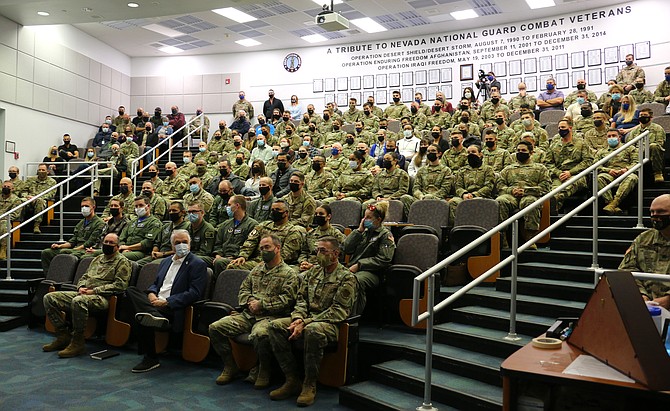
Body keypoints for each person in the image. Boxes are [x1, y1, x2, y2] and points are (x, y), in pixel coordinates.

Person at [268, 237, 356, 406]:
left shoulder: (346, 277)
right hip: (306, 319)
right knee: (275, 326)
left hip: (331, 324)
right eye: (317, 250)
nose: (318, 254)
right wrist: (298, 318)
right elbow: (301, 299)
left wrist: (306, 322)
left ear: (336, 254)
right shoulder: (313, 272)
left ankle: (309, 384)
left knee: (313, 330)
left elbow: (339, 311)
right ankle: (292, 379)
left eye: (323, 251)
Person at [209, 234, 298, 387]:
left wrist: (261, 304)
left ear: (277, 248)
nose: (263, 251)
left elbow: (287, 300)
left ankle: (264, 370)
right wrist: (250, 301)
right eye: (261, 248)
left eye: (267, 248)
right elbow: (243, 289)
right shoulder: (256, 270)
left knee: (260, 334)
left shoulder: (289, 273)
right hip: (248, 314)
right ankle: (230, 366)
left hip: (270, 317)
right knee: (215, 328)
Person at [127, 229, 208, 372]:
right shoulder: (165, 262)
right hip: (155, 304)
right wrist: (151, 293)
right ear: (172, 246)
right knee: (131, 290)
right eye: (178, 243)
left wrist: (167, 301)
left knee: (142, 314)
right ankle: (153, 315)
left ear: (190, 245)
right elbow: (156, 284)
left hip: (171, 307)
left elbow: (195, 293)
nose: (182, 245)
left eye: (185, 242)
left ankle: (150, 357)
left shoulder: (197, 264)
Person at [42, 233, 131, 358]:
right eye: (106, 242)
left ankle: (78, 342)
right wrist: (81, 287)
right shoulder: (97, 259)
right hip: (84, 293)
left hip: (103, 298)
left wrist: (93, 291)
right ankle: (63, 335)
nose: (107, 245)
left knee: (79, 301)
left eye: (111, 243)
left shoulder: (122, 262)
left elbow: (120, 286)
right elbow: (84, 277)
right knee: (49, 298)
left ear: (117, 246)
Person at [619, 194, 670, 309]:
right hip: (644, 306)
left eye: (661, 212)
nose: (655, 216)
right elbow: (626, 268)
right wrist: (641, 294)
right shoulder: (644, 239)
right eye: (652, 212)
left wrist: (668, 300)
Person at [343, 202, 395, 315]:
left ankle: (353, 318)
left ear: (378, 219)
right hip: (353, 268)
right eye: (364, 217)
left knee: (355, 280)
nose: (365, 220)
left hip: (373, 273)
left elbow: (384, 259)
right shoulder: (363, 232)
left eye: (368, 217)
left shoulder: (385, 235)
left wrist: (360, 265)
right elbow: (346, 248)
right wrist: (358, 232)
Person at [496, 141, 551, 248]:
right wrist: (511, 191)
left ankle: (530, 240)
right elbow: (500, 185)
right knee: (500, 201)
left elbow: (545, 187)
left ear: (531, 152)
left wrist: (526, 191)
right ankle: (502, 241)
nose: (520, 152)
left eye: (523, 150)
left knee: (530, 201)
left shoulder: (540, 168)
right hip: (511, 196)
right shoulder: (508, 169)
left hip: (530, 196)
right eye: (518, 150)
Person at [229, 199, 305, 270]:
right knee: (231, 264)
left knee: (234, 268)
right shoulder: (263, 225)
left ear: (286, 213)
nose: (274, 212)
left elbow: (286, 255)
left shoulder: (292, 231)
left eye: (278, 210)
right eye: (272, 210)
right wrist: (243, 256)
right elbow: (250, 241)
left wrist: (266, 262)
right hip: (257, 260)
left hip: (276, 264)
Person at [41, 197, 105, 273]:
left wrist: (74, 249)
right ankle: (50, 278)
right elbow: (72, 241)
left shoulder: (99, 223)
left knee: (65, 252)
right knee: (47, 252)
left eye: (87, 206)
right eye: (82, 206)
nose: (84, 208)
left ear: (93, 207)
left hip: (86, 250)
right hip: (75, 249)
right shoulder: (80, 223)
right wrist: (59, 246)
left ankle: (63, 278)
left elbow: (90, 242)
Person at [546, 119, 592, 212]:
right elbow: (548, 163)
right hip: (559, 176)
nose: (560, 130)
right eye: (559, 128)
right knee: (553, 191)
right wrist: (558, 173)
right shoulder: (554, 145)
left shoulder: (581, 143)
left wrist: (570, 172)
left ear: (570, 128)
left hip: (577, 176)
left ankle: (555, 201)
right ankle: (553, 213)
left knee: (566, 187)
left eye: (563, 127)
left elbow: (588, 161)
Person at [212, 195, 258, 278]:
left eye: (229, 205)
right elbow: (218, 244)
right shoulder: (225, 224)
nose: (227, 208)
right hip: (222, 256)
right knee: (199, 261)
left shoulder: (252, 225)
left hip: (238, 258)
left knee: (220, 263)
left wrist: (236, 256)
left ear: (237, 206)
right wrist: (218, 254)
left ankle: (218, 288)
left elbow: (250, 246)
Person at [595, 129, 638, 215]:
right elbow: (596, 165)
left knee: (632, 177)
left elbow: (636, 162)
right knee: (598, 178)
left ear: (619, 137)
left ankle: (614, 203)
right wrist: (608, 170)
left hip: (626, 173)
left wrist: (627, 169)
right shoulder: (601, 152)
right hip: (609, 174)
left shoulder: (629, 148)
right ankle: (610, 203)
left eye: (614, 136)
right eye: (609, 136)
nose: (611, 138)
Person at [448, 144, 496, 222]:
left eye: (473, 152)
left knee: (476, 201)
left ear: (480, 154)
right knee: (453, 202)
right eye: (468, 152)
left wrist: (474, 195)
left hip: (482, 196)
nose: (470, 154)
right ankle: (456, 229)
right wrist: (464, 194)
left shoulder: (488, 169)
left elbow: (488, 187)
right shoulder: (462, 170)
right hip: (464, 196)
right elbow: (458, 186)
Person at [298, 206, 346, 272]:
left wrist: (313, 266)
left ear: (328, 216)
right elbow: (304, 251)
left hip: (326, 268)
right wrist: (303, 262)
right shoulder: (310, 233)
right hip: (307, 265)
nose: (318, 216)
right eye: (316, 214)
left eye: (321, 214)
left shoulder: (336, 234)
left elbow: (339, 256)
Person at [367, 151, 414, 218]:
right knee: (366, 204)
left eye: (388, 159)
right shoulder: (380, 174)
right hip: (381, 198)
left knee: (405, 198)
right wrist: (378, 196)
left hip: (395, 198)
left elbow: (403, 190)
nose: (385, 161)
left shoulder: (402, 174)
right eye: (384, 159)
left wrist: (389, 198)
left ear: (395, 161)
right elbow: (375, 189)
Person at [118, 196, 163, 261]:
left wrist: (128, 247)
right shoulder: (132, 222)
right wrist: (123, 247)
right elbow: (121, 238)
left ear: (148, 206)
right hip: (125, 250)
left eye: (141, 205)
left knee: (118, 257)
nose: (138, 208)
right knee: (102, 253)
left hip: (142, 252)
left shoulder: (154, 223)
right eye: (136, 206)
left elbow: (147, 243)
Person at [23, 164, 57, 234]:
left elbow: (51, 194)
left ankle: (36, 225)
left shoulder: (52, 182)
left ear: (47, 171)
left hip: (41, 199)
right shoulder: (30, 180)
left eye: (43, 170)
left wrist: (36, 198)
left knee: (40, 202)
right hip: (29, 199)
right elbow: (24, 190)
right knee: (18, 201)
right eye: (39, 170)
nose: (41, 171)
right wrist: (26, 196)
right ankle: (17, 223)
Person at [0, 181, 22, 259]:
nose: (5, 188)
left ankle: (3, 249)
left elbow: (15, 214)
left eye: (8, 187)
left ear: (12, 189)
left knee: (4, 224)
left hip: (5, 220)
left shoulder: (16, 200)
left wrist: (2, 218)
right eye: (4, 186)